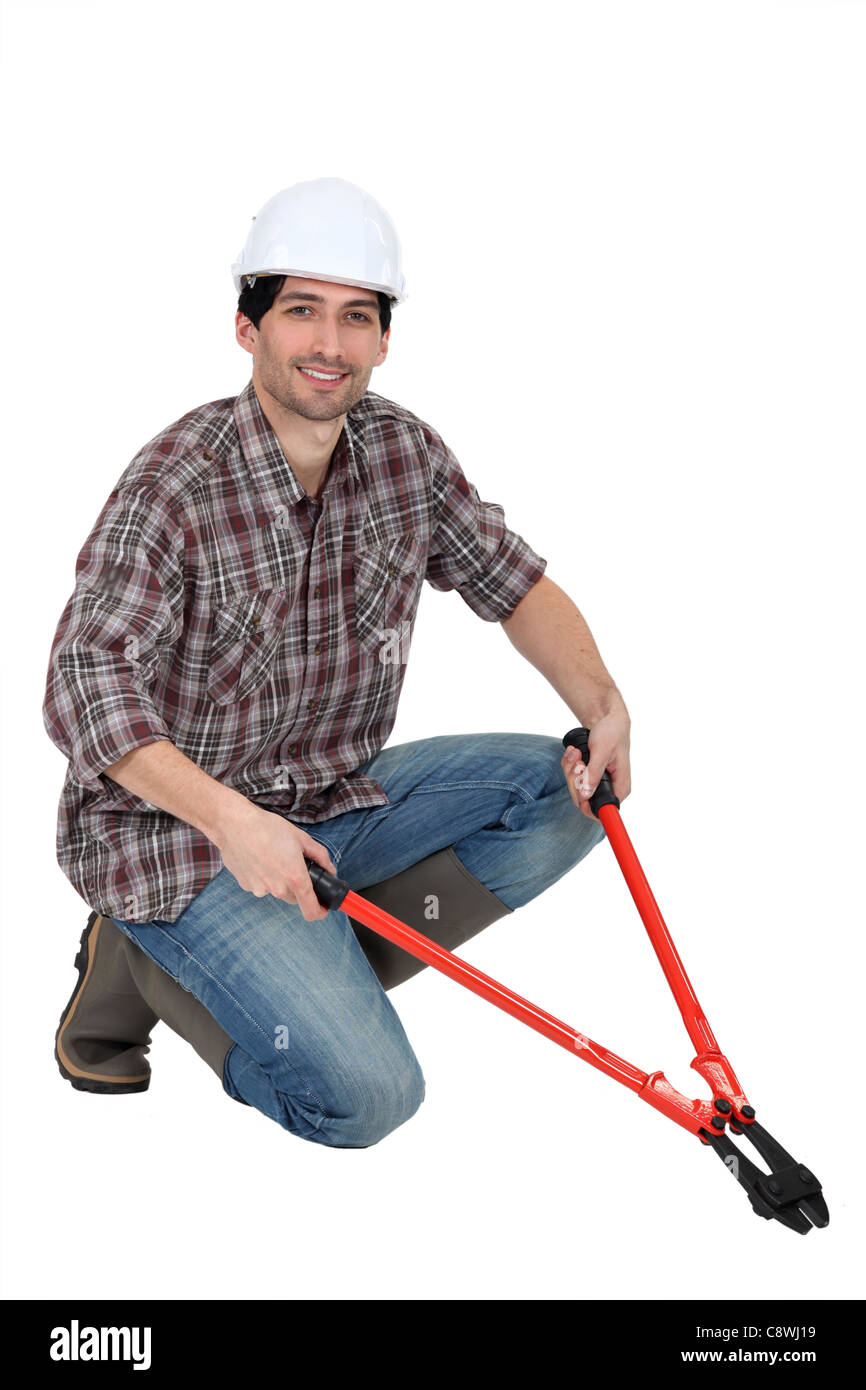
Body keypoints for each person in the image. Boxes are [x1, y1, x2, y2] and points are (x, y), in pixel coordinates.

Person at [45, 177, 631, 1146]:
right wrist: (234, 823)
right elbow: (83, 691)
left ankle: (311, 964)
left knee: (566, 793)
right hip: (179, 839)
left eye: (355, 317)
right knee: (366, 1099)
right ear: (248, 328)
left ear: (383, 336)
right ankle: (147, 959)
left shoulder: (402, 454)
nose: (329, 343)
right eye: (301, 312)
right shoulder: (174, 483)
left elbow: (512, 582)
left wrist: (602, 704)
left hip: (329, 807)